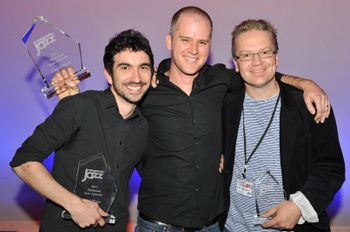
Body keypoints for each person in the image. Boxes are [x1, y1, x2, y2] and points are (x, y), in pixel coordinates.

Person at [58, 6, 331, 231]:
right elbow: (107, 115)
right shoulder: (146, 89)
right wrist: (71, 98)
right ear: (169, 41)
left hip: (212, 225)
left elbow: (258, 73)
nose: (193, 49)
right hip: (158, 225)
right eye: (185, 39)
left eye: (202, 41)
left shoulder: (222, 82)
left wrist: (304, 83)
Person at [10, 29, 154, 232]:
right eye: (125, 67)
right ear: (108, 74)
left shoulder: (145, 126)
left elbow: (157, 176)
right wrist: (74, 205)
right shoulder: (79, 106)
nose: (136, 77)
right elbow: (23, 162)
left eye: (143, 67)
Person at [221, 19, 345, 231]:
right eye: (247, 55)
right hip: (232, 227)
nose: (257, 62)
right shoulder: (223, 102)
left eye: (265, 52)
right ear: (236, 63)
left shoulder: (310, 104)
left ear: (276, 58)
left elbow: (332, 168)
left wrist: (299, 206)